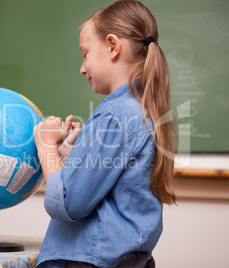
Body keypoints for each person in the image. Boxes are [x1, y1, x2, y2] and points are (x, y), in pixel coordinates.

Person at [33, 0, 176, 267]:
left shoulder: (115, 114)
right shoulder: (140, 109)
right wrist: (71, 157)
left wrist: (47, 149)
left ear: (113, 46)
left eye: (85, 53)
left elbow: (68, 203)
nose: (82, 67)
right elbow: (112, 185)